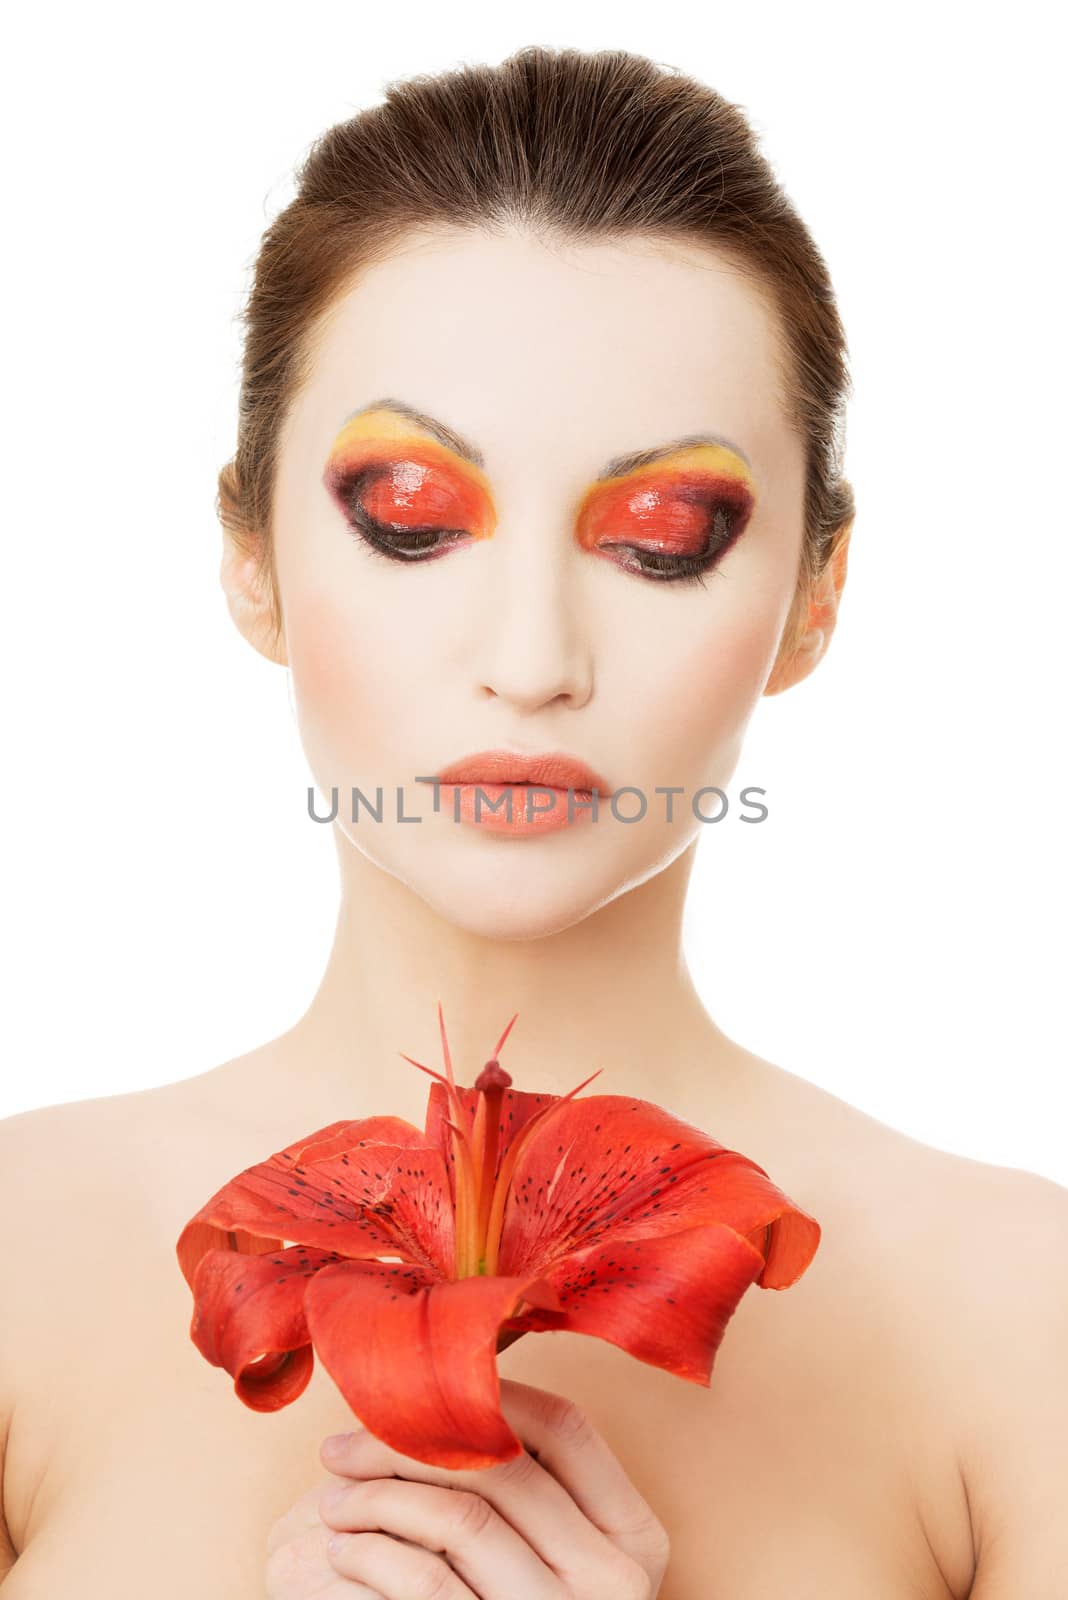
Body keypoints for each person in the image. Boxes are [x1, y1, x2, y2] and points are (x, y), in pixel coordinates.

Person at [1, 43, 1065, 1600]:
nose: (531, 661)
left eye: (661, 540)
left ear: (815, 600)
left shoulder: (1023, 1315)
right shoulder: (17, 1263)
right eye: (414, 523)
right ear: (250, 557)